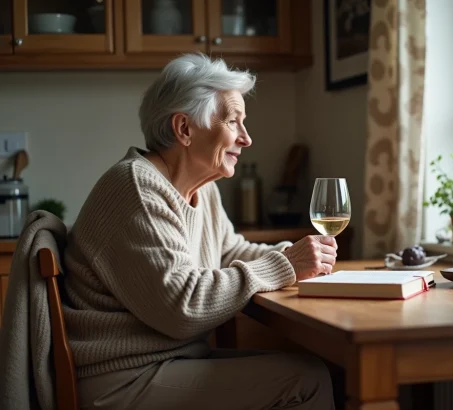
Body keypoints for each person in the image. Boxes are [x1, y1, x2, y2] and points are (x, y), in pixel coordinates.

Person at [62, 53, 337, 410]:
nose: (247, 139)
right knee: (307, 380)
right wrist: (285, 266)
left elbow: (229, 251)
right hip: (123, 380)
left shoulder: (200, 188)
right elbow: (184, 306)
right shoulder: (136, 188)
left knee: (315, 367)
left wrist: (297, 256)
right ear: (184, 129)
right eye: (234, 122)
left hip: (171, 361)